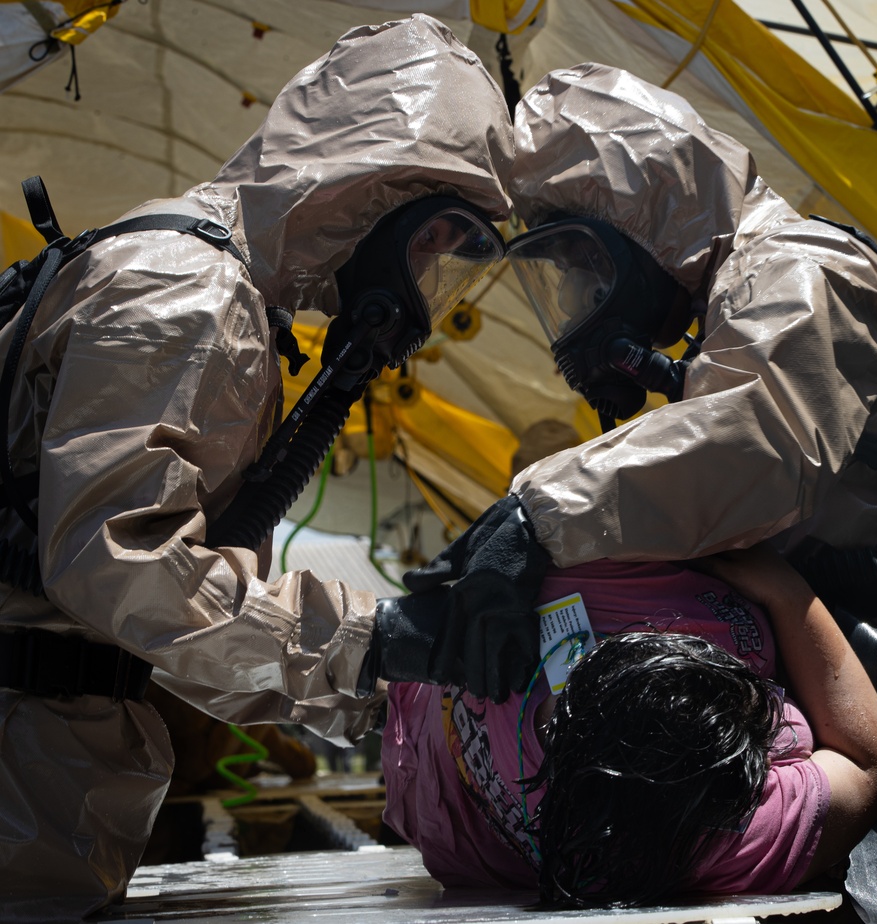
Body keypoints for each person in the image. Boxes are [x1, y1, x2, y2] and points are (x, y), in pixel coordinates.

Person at [403, 63, 877, 922]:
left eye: (581, 258)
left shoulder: (793, 273)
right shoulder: (744, 296)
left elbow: (753, 445)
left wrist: (532, 517)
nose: (578, 297)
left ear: (647, 205)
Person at [0, 15, 535, 922]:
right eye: (434, 240)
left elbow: (181, 608)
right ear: (369, 184)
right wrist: (382, 640)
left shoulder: (226, 296)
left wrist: (365, 685)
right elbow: (122, 569)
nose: (427, 279)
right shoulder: (189, 292)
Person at [383, 546, 877, 907]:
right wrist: (789, 594)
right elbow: (870, 764)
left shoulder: (581, 584)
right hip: (427, 799)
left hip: (428, 761)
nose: (778, 706)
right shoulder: (702, 847)